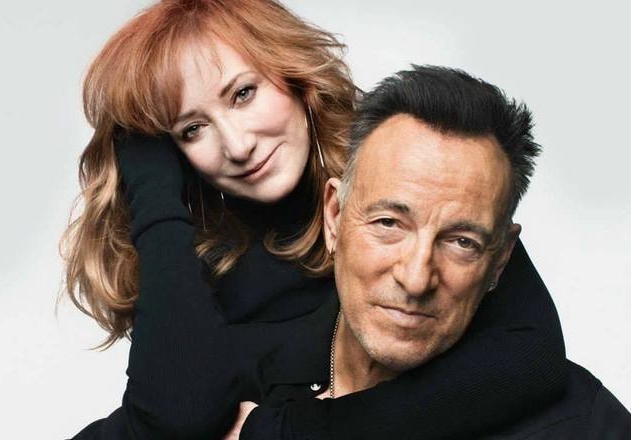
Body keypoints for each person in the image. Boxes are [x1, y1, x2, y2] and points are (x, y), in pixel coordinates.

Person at [64, 1, 564, 438]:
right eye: (192, 129)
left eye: (243, 94)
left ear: (293, 73)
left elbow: (534, 357)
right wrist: (151, 186)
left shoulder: (398, 170)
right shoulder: (192, 262)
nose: (238, 145)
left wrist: (293, 430)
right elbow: (177, 416)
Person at [236, 66, 631, 439]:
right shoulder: (239, 376)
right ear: (334, 216)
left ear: (501, 259)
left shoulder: (587, 427)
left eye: (462, 242)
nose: (415, 278)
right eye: (388, 223)